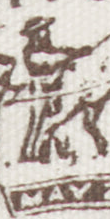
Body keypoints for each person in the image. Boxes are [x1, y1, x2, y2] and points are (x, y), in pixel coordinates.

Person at [18, 16, 92, 163]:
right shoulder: (31, 52)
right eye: (43, 30)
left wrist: (80, 52)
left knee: (53, 121)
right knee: (37, 124)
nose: (47, 32)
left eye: (46, 29)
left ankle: (50, 151)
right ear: (35, 34)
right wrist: (72, 55)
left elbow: (62, 55)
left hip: (55, 91)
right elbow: (52, 59)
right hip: (39, 91)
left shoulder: (53, 50)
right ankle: (29, 154)